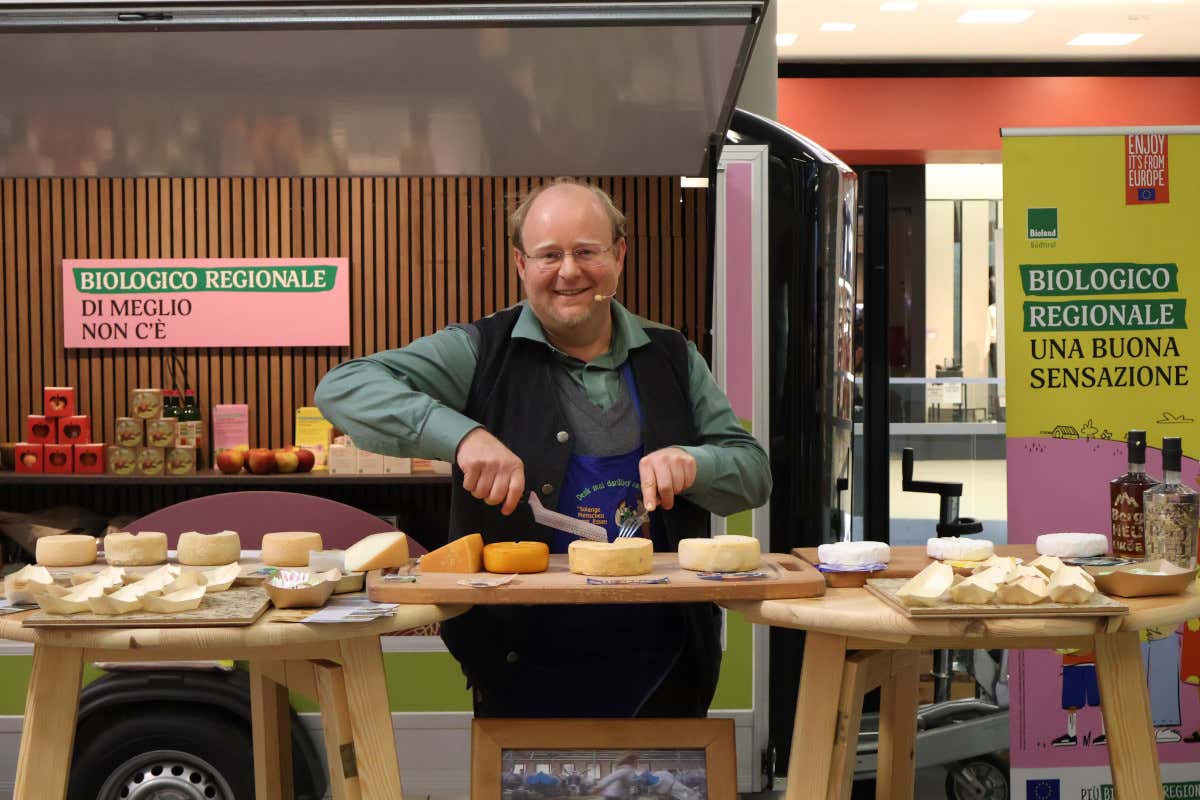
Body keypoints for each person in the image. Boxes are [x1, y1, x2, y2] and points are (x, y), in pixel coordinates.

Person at [315, 178, 771, 718]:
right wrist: (463, 436)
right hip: (516, 669)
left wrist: (696, 463)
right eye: (549, 255)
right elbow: (343, 387)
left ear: (619, 255)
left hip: (666, 666)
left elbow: (753, 473)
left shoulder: (673, 355)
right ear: (520, 263)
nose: (569, 271)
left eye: (587, 251)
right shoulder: (479, 351)